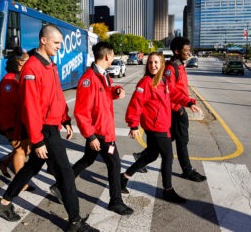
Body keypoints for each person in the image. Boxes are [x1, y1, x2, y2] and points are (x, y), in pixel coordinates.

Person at [0, 24, 99, 232]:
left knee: (33, 166)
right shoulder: (32, 68)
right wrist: (38, 139)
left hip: (51, 125)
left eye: (60, 42)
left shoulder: (49, 63)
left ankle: (3, 203)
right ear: (43, 40)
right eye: (56, 43)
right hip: (44, 129)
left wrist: (65, 119)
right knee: (66, 174)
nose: (60, 46)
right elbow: (30, 108)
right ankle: (75, 222)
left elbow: (56, 96)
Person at [49, 42, 133, 216]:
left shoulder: (103, 75)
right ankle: (115, 201)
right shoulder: (89, 79)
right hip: (99, 133)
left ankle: (60, 185)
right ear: (108, 55)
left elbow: (106, 92)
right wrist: (91, 136)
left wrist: (116, 91)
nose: (113, 56)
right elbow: (81, 112)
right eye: (113, 53)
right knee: (114, 164)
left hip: (103, 129)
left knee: (88, 160)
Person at [120, 52, 196, 204]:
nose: (152, 65)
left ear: (162, 64)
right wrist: (133, 125)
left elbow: (174, 94)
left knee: (151, 156)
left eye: (156, 63)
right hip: (155, 126)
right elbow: (136, 104)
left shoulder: (163, 81)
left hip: (162, 124)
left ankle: (123, 178)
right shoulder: (145, 83)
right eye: (150, 63)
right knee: (168, 156)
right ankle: (168, 190)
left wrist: (189, 102)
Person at [133, 37, 205, 182]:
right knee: (182, 141)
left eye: (189, 50)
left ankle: (142, 156)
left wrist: (189, 102)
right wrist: (180, 108)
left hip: (180, 107)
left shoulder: (179, 66)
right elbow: (169, 92)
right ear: (177, 51)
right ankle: (187, 171)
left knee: (167, 140)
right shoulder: (171, 69)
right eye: (186, 50)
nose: (188, 53)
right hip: (176, 111)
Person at [0, 47, 35, 191]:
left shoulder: (18, 77)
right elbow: (5, 109)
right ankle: (20, 183)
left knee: (26, 149)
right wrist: (8, 129)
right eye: (28, 61)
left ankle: (4, 163)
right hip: (11, 124)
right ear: (20, 63)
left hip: (19, 122)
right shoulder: (10, 81)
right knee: (21, 150)